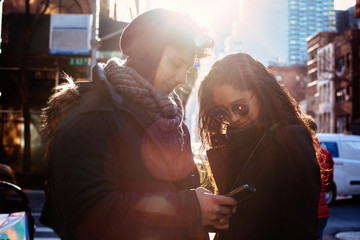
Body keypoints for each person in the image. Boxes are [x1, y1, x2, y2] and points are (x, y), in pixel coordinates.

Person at [39, 8, 236, 240]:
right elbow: (91, 214)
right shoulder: (92, 115)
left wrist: (205, 214)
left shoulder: (172, 120)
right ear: (147, 54)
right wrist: (192, 208)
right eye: (175, 63)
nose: (182, 77)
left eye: (187, 67)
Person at [197, 53, 321, 239]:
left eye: (240, 107)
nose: (233, 118)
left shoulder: (290, 139)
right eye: (222, 112)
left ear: (262, 93)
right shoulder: (233, 143)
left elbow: (299, 228)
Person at [306, 117, 334, 240]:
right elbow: (328, 185)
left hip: (305, 212)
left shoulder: (301, 151)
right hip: (322, 212)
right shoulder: (325, 153)